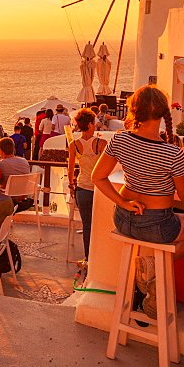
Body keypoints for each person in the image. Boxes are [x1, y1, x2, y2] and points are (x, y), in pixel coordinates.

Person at [92, 85, 184, 318]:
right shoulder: (172, 153)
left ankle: (152, 270)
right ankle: (157, 267)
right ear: (163, 113)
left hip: (123, 220)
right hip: (157, 227)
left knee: (182, 221)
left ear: (133, 111)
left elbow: (97, 177)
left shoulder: (120, 140)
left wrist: (122, 202)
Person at [67, 108, 107, 260]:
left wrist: (71, 185)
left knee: (87, 226)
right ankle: (100, 258)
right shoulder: (101, 143)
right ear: (90, 124)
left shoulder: (74, 144)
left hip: (82, 189)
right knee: (102, 225)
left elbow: (70, 169)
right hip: (100, 189)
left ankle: (89, 258)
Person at [0, 137, 34, 213]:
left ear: (1, 150)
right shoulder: (24, 161)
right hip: (22, 195)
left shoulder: (0, 164)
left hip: (8, 196)